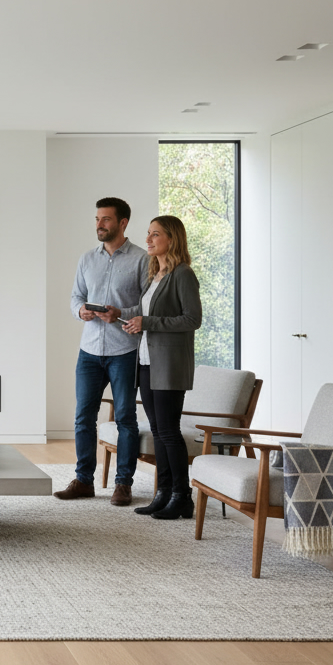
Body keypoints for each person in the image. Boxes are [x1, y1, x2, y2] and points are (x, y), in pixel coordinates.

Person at [57, 197, 150, 506]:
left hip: (124, 350)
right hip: (90, 350)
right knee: (83, 417)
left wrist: (120, 312)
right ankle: (84, 480)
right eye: (97, 218)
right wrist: (80, 309)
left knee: (125, 417)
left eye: (106, 219)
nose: (99, 224)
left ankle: (123, 484)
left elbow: (148, 305)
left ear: (123, 223)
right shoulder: (87, 259)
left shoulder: (141, 259)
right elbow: (75, 296)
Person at [122, 215, 202, 520]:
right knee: (158, 430)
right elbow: (145, 312)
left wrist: (149, 322)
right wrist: (122, 314)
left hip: (169, 365)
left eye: (156, 234)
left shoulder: (183, 274)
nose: (148, 240)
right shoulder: (155, 274)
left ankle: (183, 496)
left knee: (169, 431)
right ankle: (164, 492)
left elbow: (192, 319)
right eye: (148, 234)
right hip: (145, 362)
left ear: (172, 238)